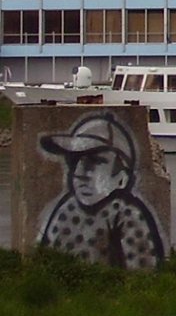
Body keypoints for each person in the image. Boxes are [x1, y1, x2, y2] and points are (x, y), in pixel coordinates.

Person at [37, 112, 165, 269]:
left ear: (122, 178)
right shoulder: (67, 209)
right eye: (74, 161)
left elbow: (143, 272)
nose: (78, 173)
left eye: (94, 161)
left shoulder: (125, 213)